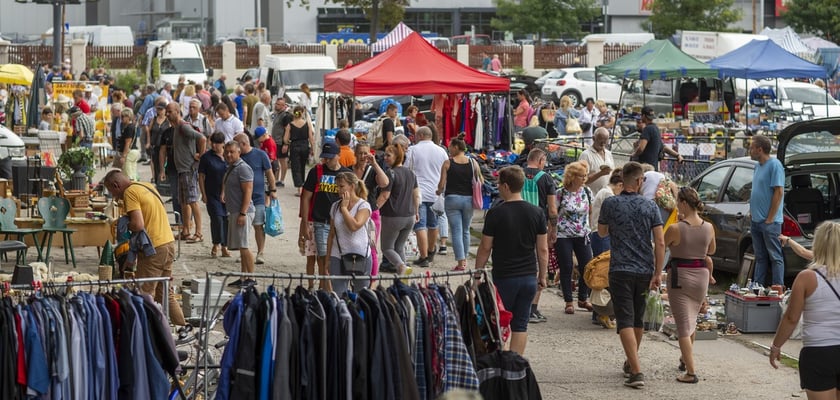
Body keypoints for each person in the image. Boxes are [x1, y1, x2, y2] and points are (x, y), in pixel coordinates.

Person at [597, 161, 665, 389]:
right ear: (638, 180)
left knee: (624, 319)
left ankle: (636, 371)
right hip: (644, 269)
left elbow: (602, 232)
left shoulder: (611, 203)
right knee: (637, 318)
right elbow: (660, 242)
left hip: (620, 268)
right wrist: (658, 272)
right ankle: (631, 361)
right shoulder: (650, 206)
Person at [474, 165, 548, 355]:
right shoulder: (537, 212)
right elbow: (542, 249)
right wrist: (542, 275)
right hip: (528, 276)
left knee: (500, 320)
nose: (498, 187)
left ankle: (502, 359)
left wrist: (477, 274)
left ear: (506, 186)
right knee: (520, 324)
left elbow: (485, 247)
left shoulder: (495, 213)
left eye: (499, 184)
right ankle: (515, 362)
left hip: (504, 276)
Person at [103, 170, 186, 326]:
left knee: (144, 294)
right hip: (168, 243)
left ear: (116, 185)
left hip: (154, 249)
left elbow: (138, 224)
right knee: (165, 294)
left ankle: (145, 332)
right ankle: (184, 329)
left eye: (111, 191)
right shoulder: (146, 186)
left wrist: (123, 224)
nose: (113, 196)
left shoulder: (130, 193)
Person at [770, 221, 840, 400]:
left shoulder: (807, 278)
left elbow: (791, 318)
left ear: (817, 244)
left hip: (818, 351)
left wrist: (776, 346)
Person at [664, 186, 716, 384]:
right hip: (701, 276)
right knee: (691, 320)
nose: (676, 205)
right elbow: (711, 250)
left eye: (678, 202)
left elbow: (662, 245)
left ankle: (691, 372)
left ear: (684, 203)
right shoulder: (709, 227)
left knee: (683, 327)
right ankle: (685, 359)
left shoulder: (676, 228)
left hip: (680, 277)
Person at [299, 142, 351, 290]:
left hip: (341, 223)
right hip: (321, 222)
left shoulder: (347, 174)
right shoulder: (316, 171)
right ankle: (324, 290)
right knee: (323, 258)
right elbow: (306, 198)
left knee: (339, 257)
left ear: (338, 156)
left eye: (330, 157)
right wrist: (304, 223)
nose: (326, 160)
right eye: (325, 157)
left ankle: (335, 289)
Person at [436, 136, 483, 272]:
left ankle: (460, 262)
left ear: (456, 147)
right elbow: (481, 180)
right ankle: (465, 259)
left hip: (452, 199)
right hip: (468, 199)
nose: (449, 149)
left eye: (450, 146)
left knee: (456, 231)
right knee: (466, 230)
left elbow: (441, 185)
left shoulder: (447, 163)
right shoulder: (473, 162)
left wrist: (438, 191)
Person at [521, 148, 557, 323]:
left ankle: (521, 305)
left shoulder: (518, 174)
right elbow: (552, 209)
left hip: (518, 223)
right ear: (541, 160)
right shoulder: (546, 179)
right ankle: (532, 308)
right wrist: (553, 229)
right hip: (539, 225)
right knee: (540, 262)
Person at [162, 102, 206, 243]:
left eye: (170, 111)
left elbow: (202, 138)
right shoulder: (176, 127)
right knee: (183, 201)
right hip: (181, 170)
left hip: (188, 169)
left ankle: (198, 233)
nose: (167, 114)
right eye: (166, 112)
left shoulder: (183, 126)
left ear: (177, 111)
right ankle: (185, 230)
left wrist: (200, 156)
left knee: (192, 201)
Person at [554, 161, 594, 314]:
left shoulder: (587, 191)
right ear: (572, 176)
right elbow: (553, 214)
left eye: (585, 175)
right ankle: (568, 301)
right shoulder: (561, 193)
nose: (584, 178)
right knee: (567, 266)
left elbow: (590, 212)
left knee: (587, 266)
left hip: (582, 233)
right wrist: (551, 233)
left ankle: (583, 298)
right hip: (563, 234)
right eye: (581, 176)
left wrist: (590, 228)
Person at [406, 126, 449, 267]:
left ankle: (423, 256)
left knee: (420, 225)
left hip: (418, 192)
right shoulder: (441, 151)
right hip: (435, 193)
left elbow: (407, 169)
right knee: (433, 224)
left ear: (420, 135)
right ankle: (430, 251)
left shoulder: (413, 150)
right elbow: (447, 169)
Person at [234, 132, 277, 265]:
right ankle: (244, 252)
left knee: (258, 225)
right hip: (241, 198)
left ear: (243, 144)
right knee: (242, 227)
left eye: (237, 145)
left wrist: (273, 190)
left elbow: (269, 173)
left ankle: (260, 252)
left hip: (258, 197)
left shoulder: (261, 154)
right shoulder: (236, 157)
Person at [326, 172, 373, 294]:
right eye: (337, 186)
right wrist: (328, 259)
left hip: (361, 255)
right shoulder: (335, 206)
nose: (338, 189)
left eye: (342, 186)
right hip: (338, 254)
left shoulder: (363, 205)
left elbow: (354, 226)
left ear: (352, 186)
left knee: (361, 295)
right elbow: (331, 234)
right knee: (338, 294)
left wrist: (344, 209)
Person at [750, 134, 785, 287]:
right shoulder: (757, 166)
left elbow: (779, 191)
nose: (750, 151)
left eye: (751, 148)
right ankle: (757, 287)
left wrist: (770, 218)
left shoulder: (775, 165)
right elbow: (757, 190)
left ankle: (778, 287)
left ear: (760, 149)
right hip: (756, 220)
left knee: (775, 257)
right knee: (760, 257)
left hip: (770, 222)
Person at [379, 144, 419, 275]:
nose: (385, 158)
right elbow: (416, 195)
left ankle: (401, 266)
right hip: (410, 216)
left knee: (387, 248)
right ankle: (404, 276)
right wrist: (416, 211)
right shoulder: (411, 173)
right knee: (399, 247)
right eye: (385, 155)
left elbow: (385, 195)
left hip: (393, 216)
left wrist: (373, 209)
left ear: (397, 157)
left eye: (388, 155)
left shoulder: (390, 173)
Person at [353, 141, 389, 277]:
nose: (363, 156)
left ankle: (372, 281)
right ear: (355, 153)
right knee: (354, 247)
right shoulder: (349, 170)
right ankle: (356, 275)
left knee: (372, 247)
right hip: (353, 213)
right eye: (360, 153)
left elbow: (385, 183)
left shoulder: (372, 170)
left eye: (365, 153)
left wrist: (375, 164)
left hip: (371, 215)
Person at [222, 140, 256, 287]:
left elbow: (248, 191)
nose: (229, 154)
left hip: (243, 211)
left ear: (239, 152)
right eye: (227, 152)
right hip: (235, 210)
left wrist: (243, 213)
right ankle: (243, 277)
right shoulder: (232, 167)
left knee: (244, 245)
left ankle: (252, 277)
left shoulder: (243, 168)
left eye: (232, 152)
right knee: (242, 248)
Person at [199, 132, 231, 258]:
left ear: (222, 143)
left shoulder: (228, 156)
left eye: (217, 143)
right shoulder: (206, 157)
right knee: (217, 218)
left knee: (226, 219)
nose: (214, 146)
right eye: (212, 143)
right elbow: (201, 176)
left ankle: (225, 246)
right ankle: (216, 243)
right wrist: (203, 193)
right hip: (211, 193)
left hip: (228, 193)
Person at [631, 106, 682, 170]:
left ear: (643, 116)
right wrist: (677, 155)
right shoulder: (656, 129)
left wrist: (634, 154)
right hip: (653, 168)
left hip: (645, 168)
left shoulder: (647, 129)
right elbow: (663, 147)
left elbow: (641, 148)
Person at [284, 106, 316, 196]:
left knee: (296, 167)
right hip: (305, 146)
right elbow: (311, 138)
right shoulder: (307, 124)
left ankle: (299, 188)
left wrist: (289, 142)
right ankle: (302, 186)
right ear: (302, 113)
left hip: (294, 146)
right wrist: (312, 148)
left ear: (294, 113)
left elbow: (285, 139)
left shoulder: (290, 125)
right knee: (302, 166)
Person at [579, 128, 615, 195]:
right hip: (592, 196)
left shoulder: (608, 153)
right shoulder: (586, 155)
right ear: (593, 138)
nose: (603, 144)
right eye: (600, 141)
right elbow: (582, 179)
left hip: (607, 195)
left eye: (605, 141)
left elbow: (612, 173)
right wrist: (600, 173)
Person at [271, 97, 292, 187]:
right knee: (276, 161)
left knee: (283, 161)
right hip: (275, 141)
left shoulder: (285, 116)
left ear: (283, 106)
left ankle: (282, 180)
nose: (276, 106)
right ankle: (276, 179)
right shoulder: (277, 114)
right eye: (276, 104)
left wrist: (286, 144)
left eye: (279, 104)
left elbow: (288, 130)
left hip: (281, 142)